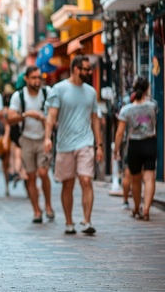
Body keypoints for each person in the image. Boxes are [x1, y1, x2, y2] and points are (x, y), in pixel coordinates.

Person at [44, 55, 104, 235]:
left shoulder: (91, 92)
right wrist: (47, 137)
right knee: (67, 184)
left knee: (86, 180)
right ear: (76, 69)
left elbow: (95, 119)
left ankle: (87, 221)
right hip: (64, 144)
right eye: (86, 69)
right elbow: (51, 116)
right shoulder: (59, 89)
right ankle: (69, 222)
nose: (89, 72)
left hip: (85, 142)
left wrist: (98, 144)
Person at [8, 66, 54, 223]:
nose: (37, 81)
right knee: (31, 176)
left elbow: (55, 116)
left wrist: (43, 119)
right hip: (26, 140)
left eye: (39, 78)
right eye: (33, 78)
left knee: (43, 173)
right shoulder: (19, 96)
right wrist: (27, 114)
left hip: (43, 138)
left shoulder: (48, 93)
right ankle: (36, 210)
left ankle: (48, 205)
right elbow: (10, 117)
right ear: (26, 79)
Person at [114, 76, 157, 221]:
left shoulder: (126, 110)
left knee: (136, 179)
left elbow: (120, 133)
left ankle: (137, 207)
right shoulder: (153, 105)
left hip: (134, 145)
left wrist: (116, 150)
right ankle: (146, 209)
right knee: (150, 177)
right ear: (147, 89)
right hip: (150, 143)